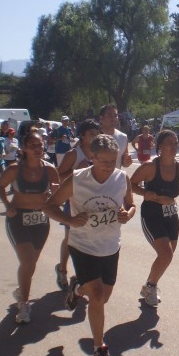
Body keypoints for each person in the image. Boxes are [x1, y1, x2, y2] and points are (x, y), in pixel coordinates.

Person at [43, 134, 136, 356]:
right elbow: (49, 206)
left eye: (113, 161)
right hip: (82, 245)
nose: (108, 166)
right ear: (92, 158)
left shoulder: (121, 178)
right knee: (96, 296)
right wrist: (69, 219)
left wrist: (128, 213)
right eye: (103, 161)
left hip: (110, 245)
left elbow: (131, 203)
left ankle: (77, 289)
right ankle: (99, 350)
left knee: (102, 298)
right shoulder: (77, 180)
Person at [0, 129, 60, 323]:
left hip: (41, 220)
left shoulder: (49, 169)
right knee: (28, 261)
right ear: (23, 148)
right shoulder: (15, 169)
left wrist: (54, 195)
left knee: (31, 263)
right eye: (32, 146)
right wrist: (7, 206)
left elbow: (57, 192)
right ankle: (24, 304)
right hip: (18, 219)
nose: (37, 149)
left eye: (40, 145)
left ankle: (21, 289)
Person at [130, 130, 179, 307]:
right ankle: (152, 286)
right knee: (165, 254)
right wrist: (145, 193)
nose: (174, 146)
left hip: (170, 214)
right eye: (170, 143)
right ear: (160, 146)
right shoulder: (150, 167)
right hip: (152, 214)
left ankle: (148, 284)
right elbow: (131, 184)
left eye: (176, 143)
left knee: (168, 254)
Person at [54, 119, 101, 291]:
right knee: (70, 239)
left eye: (97, 133)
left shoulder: (99, 152)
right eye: (91, 134)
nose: (95, 137)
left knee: (90, 240)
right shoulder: (74, 154)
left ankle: (84, 276)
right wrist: (76, 171)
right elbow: (59, 176)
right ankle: (62, 269)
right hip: (74, 202)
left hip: (94, 202)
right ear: (82, 136)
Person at [98, 104, 133, 169]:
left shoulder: (123, 137)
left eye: (115, 115)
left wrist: (126, 162)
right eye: (110, 115)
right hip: (95, 178)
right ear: (101, 117)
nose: (113, 118)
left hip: (115, 178)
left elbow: (123, 162)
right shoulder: (94, 136)